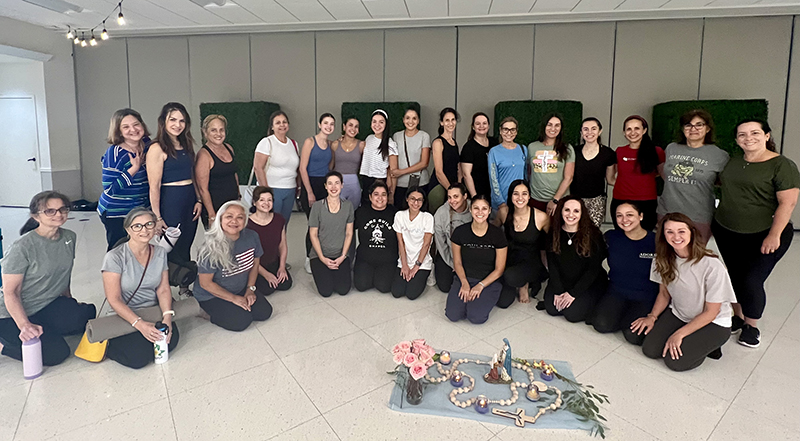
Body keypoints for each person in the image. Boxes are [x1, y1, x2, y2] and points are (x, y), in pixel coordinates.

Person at [712, 119, 800, 348]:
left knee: (751, 280)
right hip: (727, 230)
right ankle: (738, 317)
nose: (748, 138)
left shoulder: (782, 165)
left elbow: (787, 203)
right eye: (742, 134)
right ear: (736, 140)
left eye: (754, 133)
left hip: (764, 234)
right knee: (734, 275)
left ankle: (752, 325)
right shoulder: (733, 162)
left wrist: (774, 235)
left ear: (767, 135)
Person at [0, 192, 96, 366]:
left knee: (86, 316)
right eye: (50, 211)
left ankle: (48, 328)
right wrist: (24, 325)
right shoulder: (21, 247)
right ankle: (2, 345)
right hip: (11, 314)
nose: (58, 214)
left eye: (62, 209)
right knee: (56, 353)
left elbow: (64, 273)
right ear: (35, 215)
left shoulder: (69, 237)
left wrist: (69, 302)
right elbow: (10, 292)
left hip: (46, 305)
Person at [632, 213, 735, 372]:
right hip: (680, 314)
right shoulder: (662, 259)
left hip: (713, 322)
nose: (676, 236)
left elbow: (712, 312)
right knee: (650, 350)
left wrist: (679, 334)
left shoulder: (712, 265)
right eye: (670, 232)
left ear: (691, 233)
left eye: (681, 231)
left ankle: (710, 345)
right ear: (663, 235)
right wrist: (652, 317)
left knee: (675, 362)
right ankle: (692, 339)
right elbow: (664, 294)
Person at [102, 208, 179, 369]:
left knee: (170, 341)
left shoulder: (160, 252)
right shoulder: (114, 257)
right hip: (124, 314)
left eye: (149, 224)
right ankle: (110, 346)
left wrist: (167, 318)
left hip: (151, 310)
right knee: (138, 359)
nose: (144, 230)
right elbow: (114, 299)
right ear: (128, 229)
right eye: (137, 226)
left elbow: (163, 288)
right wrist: (140, 324)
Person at [194, 201, 273, 332]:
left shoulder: (252, 236)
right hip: (211, 295)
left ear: (245, 220)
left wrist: (250, 289)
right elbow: (205, 284)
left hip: (239, 288)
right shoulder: (209, 247)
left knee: (264, 313)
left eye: (240, 217)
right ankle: (204, 312)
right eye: (229, 216)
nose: (234, 221)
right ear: (220, 219)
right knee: (241, 322)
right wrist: (233, 299)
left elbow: (255, 264)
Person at [146, 103, 201, 283]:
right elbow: (154, 186)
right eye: (173, 120)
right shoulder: (157, 148)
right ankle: (164, 287)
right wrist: (157, 217)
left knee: (186, 243)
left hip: (189, 198)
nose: (178, 125)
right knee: (171, 247)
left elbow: (192, 174)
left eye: (182, 121)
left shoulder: (185, 144)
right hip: (171, 201)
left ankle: (185, 282)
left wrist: (198, 199)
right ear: (163, 121)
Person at [591, 202, 658, 345]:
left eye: (630, 215)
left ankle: (627, 318)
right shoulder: (611, 237)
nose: (624, 220)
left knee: (633, 336)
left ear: (641, 216)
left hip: (645, 296)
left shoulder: (656, 241)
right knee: (601, 325)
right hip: (617, 292)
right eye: (619, 216)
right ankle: (621, 315)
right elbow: (593, 260)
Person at [658, 109, 729, 243]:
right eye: (688, 125)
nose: (693, 129)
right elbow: (665, 173)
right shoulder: (672, 148)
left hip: (699, 216)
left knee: (695, 258)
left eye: (699, 124)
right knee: (666, 256)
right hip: (667, 212)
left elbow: (725, 183)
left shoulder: (719, 155)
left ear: (707, 128)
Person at [445, 194, 508, 324]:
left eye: (484, 209)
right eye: (476, 208)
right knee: (452, 315)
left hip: (488, 281)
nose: (480, 212)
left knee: (476, 318)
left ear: (490, 210)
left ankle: (489, 296)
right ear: (470, 209)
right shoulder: (460, 232)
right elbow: (457, 262)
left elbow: (499, 269)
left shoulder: (497, 234)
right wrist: (464, 282)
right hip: (465, 277)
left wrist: (481, 285)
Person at [544, 196, 607, 322]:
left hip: (586, 282)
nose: (571, 214)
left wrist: (573, 294)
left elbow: (593, 269)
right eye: (567, 210)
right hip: (563, 279)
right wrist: (558, 290)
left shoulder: (593, 235)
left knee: (572, 315)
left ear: (582, 213)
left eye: (576, 211)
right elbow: (552, 264)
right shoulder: (554, 232)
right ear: (561, 211)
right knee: (551, 309)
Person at [98, 108, 151, 250]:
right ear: (118, 131)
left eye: (136, 124)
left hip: (138, 209)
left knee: (139, 249)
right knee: (118, 249)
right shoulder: (114, 154)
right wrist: (132, 170)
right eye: (126, 127)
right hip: (116, 212)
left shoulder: (147, 145)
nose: (133, 130)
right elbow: (110, 188)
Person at [611, 115, 665, 231]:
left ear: (644, 130)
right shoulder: (619, 151)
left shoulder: (656, 151)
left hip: (647, 203)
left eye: (637, 128)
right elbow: (611, 177)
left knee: (644, 237)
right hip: (621, 201)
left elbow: (663, 175)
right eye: (628, 129)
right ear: (624, 132)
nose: (632, 132)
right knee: (622, 236)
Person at [501, 180, 549, 307]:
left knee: (509, 277)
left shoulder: (541, 217)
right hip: (510, 260)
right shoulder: (504, 212)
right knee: (503, 302)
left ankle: (524, 284)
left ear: (529, 196)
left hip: (530, 262)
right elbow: (491, 233)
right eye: (516, 194)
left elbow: (554, 239)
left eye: (524, 193)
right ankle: (517, 282)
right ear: (511, 196)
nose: (520, 198)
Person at [309, 171, 355, 297]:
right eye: (330, 184)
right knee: (326, 292)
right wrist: (322, 258)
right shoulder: (317, 206)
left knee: (343, 290)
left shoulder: (348, 206)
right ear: (325, 186)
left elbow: (349, 233)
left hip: (340, 255)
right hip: (320, 255)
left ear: (342, 185)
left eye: (337, 183)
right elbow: (313, 234)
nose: (333, 187)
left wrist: (343, 256)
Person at [253, 111, 300, 226]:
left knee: (283, 225)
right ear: (272, 127)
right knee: (271, 225)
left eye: (284, 122)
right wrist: (266, 192)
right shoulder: (267, 142)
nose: (282, 125)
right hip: (273, 190)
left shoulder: (293, 144)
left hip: (290, 189)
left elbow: (296, 168)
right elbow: (258, 167)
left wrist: (298, 188)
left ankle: (282, 245)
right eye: (278, 123)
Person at [247, 186, 293, 296]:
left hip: (273, 261)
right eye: (261, 200)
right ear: (254, 202)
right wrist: (266, 274)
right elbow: (249, 255)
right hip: (256, 266)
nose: (266, 203)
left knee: (286, 284)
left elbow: (282, 245)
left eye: (269, 200)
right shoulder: (248, 224)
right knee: (267, 290)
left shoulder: (279, 219)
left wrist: (282, 267)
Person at [353, 180, 398, 293]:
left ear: (388, 197)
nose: (380, 198)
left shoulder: (395, 214)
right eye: (376, 194)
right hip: (365, 258)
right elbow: (348, 232)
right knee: (361, 286)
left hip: (387, 259)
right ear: (370, 196)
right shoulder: (361, 212)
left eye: (384, 194)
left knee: (384, 287)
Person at [195, 114, 239, 229]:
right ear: (205, 132)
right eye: (213, 130)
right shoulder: (204, 155)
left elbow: (234, 173)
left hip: (232, 207)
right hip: (215, 209)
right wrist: (212, 215)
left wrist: (238, 196)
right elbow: (202, 189)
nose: (218, 134)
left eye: (221, 130)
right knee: (218, 245)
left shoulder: (229, 148)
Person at [571, 117, 616, 227]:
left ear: (600, 131)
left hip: (597, 201)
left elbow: (610, 180)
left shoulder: (608, 153)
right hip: (575, 200)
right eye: (586, 129)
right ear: (581, 132)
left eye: (593, 129)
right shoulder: (573, 151)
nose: (589, 132)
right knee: (574, 230)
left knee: (592, 233)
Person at [528, 113, 575, 216]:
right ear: (544, 126)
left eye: (557, 125)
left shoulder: (567, 148)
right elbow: (529, 171)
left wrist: (555, 200)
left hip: (558, 201)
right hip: (536, 200)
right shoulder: (532, 147)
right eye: (549, 124)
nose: (553, 128)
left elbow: (569, 177)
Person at [392, 187, 434, 300]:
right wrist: (404, 265)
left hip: (421, 262)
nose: (416, 203)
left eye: (419, 200)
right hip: (404, 259)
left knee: (411, 294)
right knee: (397, 292)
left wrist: (416, 267)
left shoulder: (427, 217)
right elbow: (400, 243)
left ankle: (429, 272)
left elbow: (426, 244)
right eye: (413, 199)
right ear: (407, 199)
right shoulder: (399, 215)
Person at [433, 183, 472, 293]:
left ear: (464, 196)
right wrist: (453, 263)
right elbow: (441, 244)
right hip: (448, 254)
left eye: (456, 196)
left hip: (469, 256)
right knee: (444, 287)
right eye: (449, 197)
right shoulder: (441, 213)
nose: (452, 201)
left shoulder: (474, 209)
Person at [488, 117, 528, 225]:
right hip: (501, 203)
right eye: (505, 129)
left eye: (512, 129)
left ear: (516, 131)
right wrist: (501, 203)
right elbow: (493, 179)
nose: (509, 133)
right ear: (500, 131)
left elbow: (526, 176)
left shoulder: (523, 149)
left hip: (519, 202)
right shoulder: (494, 152)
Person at [390, 106, 431, 207]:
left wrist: (402, 172)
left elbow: (424, 163)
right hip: (400, 184)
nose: (410, 121)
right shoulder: (396, 136)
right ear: (403, 120)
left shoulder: (424, 136)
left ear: (418, 121)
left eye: (414, 118)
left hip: (420, 182)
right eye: (407, 118)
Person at [359, 109, 399, 206]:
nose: (377, 125)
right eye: (374, 121)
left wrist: (391, 194)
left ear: (386, 124)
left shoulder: (390, 144)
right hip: (366, 179)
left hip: (380, 181)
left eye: (381, 122)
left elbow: (394, 171)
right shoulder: (369, 138)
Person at [300, 113, 335, 216]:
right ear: (320, 125)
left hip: (324, 184)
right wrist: (310, 192)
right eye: (326, 123)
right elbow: (302, 168)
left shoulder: (331, 144)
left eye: (332, 124)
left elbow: (330, 166)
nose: (329, 126)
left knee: (324, 222)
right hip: (310, 183)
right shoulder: (310, 142)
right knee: (313, 222)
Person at [428, 108, 461, 213]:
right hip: (439, 187)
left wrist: (459, 187)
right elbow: (439, 172)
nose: (450, 123)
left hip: (452, 186)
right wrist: (451, 190)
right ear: (441, 123)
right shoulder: (438, 142)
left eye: (453, 120)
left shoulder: (454, 142)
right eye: (447, 120)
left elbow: (457, 166)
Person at [461, 112, 499, 198]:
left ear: (488, 126)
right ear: (473, 127)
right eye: (478, 124)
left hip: (494, 192)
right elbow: (466, 175)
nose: (481, 126)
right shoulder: (469, 147)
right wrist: (475, 196)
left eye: (484, 123)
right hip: (477, 192)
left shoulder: (494, 143)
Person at [333, 116, 365, 209]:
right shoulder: (335, 144)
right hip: (337, 183)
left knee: (352, 214)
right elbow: (331, 166)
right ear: (344, 127)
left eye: (356, 126)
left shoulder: (362, 145)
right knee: (336, 212)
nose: (353, 129)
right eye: (350, 125)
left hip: (354, 185)